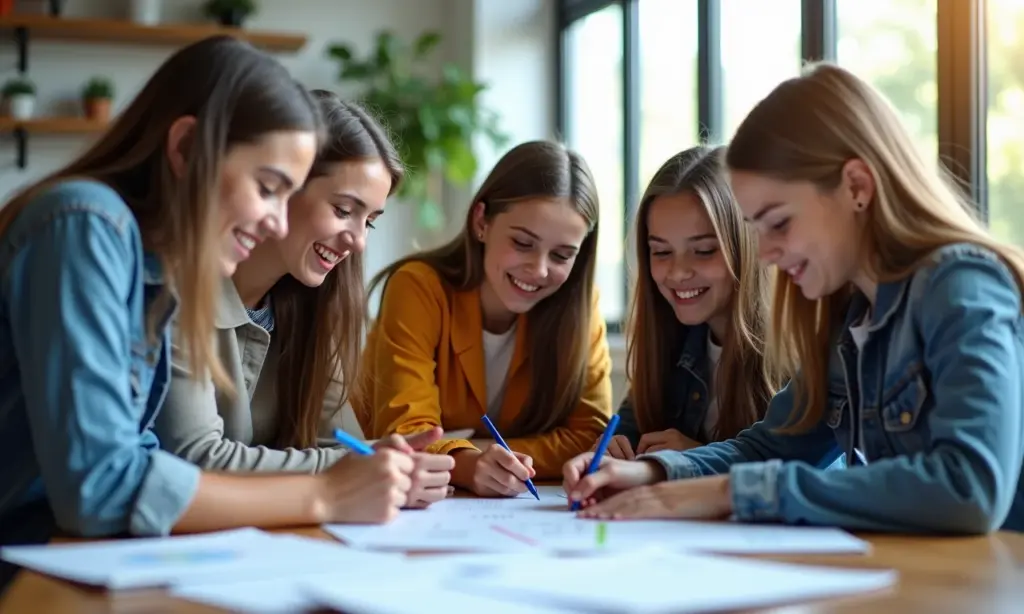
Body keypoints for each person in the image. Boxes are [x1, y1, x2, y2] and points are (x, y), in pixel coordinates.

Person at [0, 36, 417, 593]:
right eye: (268, 189)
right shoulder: (86, 222)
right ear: (187, 148)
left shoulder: (153, 266)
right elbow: (100, 483)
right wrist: (328, 492)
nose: (275, 221)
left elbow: (142, 456)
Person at [562, 62, 1024, 534]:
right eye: (757, 228)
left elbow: (970, 487)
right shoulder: (850, 318)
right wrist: (653, 472)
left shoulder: (961, 286)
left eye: (779, 223)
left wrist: (732, 492)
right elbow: (770, 446)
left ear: (857, 188)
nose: (764, 252)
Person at [153, 90, 453, 508]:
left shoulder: (317, 305)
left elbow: (336, 440)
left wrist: (385, 465)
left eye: (370, 221)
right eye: (344, 209)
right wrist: (352, 468)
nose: (359, 241)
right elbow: (196, 458)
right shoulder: (182, 288)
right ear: (283, 186)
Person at [355, 140, 614, 497]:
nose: (538, 269)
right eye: (523, 243)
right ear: (481, 222)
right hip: (385, 487)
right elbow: (408, 431)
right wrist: (468, 463)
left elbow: (590, 438)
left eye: (561, 255)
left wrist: (478, 453)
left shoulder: (582, 308)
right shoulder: (418, 287)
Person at [596, 146, 783, 461]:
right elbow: (622, 439)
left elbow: (821, 471)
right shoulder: (669, 341)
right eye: (661, 252)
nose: (677, 273)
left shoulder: (800, 348)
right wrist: (604, 456)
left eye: (704, 250)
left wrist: (696, 460)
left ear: (747, 249)